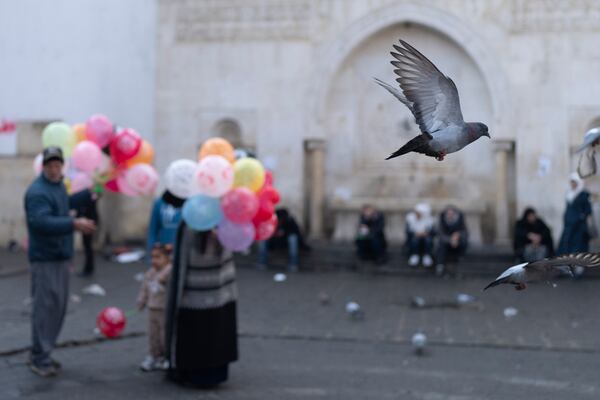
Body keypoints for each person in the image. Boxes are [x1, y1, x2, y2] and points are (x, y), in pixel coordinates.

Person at [24, 147, 96, 377]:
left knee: (57, 308)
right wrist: (73, 224)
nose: (55, 169)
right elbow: (41, 222)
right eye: (50, 165)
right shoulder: (37, 192)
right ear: (43, 166)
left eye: (58, 165)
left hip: (60, 256)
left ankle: (43, 353)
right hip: (46, 258)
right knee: (45, 309)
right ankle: (39, 358)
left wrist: (88, 194)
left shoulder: (56, 186)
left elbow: (64, 204)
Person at [166, 223, 238, 388]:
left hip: (208, 277)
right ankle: (197, 372)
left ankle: (199, 373)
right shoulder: (195, 212)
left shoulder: (221, 210)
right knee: (200, 324)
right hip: (199, 278)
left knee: (206, 323)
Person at [137, 243, 173, 372]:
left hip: (164, 310)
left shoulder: (169, 270)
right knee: (153, 335)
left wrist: (163, 275)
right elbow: (144, 289)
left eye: (158, 257)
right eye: (152, 257)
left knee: (165, 335)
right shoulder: (150, 273)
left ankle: (166, 357)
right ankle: (153, 355)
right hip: (152, 309)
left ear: (167, 258)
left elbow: (169, 274)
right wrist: (141, 301)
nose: (154, 261)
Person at [558, 173, 593, 277]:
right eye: (571, 182)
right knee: (567, 245)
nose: (572, 184)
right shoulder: (569, 193)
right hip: (569, 226)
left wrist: (580, 217)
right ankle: (568, 268)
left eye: (574, 182)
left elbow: (588, 210)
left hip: (579, 227)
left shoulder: (583, 194)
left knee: (578, 247)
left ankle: (578, 269)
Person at [257, 208, 309, 272]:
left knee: (292, 238)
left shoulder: (290, 221)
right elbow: (267, 231)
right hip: (275, 242)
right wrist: (275, 234)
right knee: (263, 238)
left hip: (286, 242)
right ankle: (262, 262)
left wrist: (284, 233)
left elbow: (296, 233)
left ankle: (293, 263)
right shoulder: (272, 221)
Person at [146, 190, 183, 256]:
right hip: (163, 253)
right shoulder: (159, 203)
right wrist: (151, 253)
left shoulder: (190, 203)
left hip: (183, 251)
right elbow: (153, 230)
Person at [435, 205, 469, 275]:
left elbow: (465, 232)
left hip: (457, 241)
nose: (450, 215)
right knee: (441, 245)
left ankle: (460, 257)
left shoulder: (460, 220)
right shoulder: (442, 220)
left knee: (464, 241)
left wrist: (458, 235)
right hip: (447, 241)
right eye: (448, 214)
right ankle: (440, 265)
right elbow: (440, 234)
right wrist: (450, 240)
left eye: (451, 214)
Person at [75, 190, 99, 277]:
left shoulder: (87, 195)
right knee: (88, 246)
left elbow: (84, 208)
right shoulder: (92, 195)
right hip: (90, 221)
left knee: (88, 246)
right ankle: (88, 268)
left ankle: (88, 269)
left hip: (89, 223)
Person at [405, 203, 435, 267]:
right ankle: (414, 255)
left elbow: (431, 231)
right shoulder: (410, 218)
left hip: (426, 236)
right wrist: (415, 233)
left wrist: (425, 233)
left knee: (428, 240)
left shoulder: (429, 219)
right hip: (414, 236)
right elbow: (408, 231)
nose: (417, 214)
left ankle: (427, 256)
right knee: (414, 240)